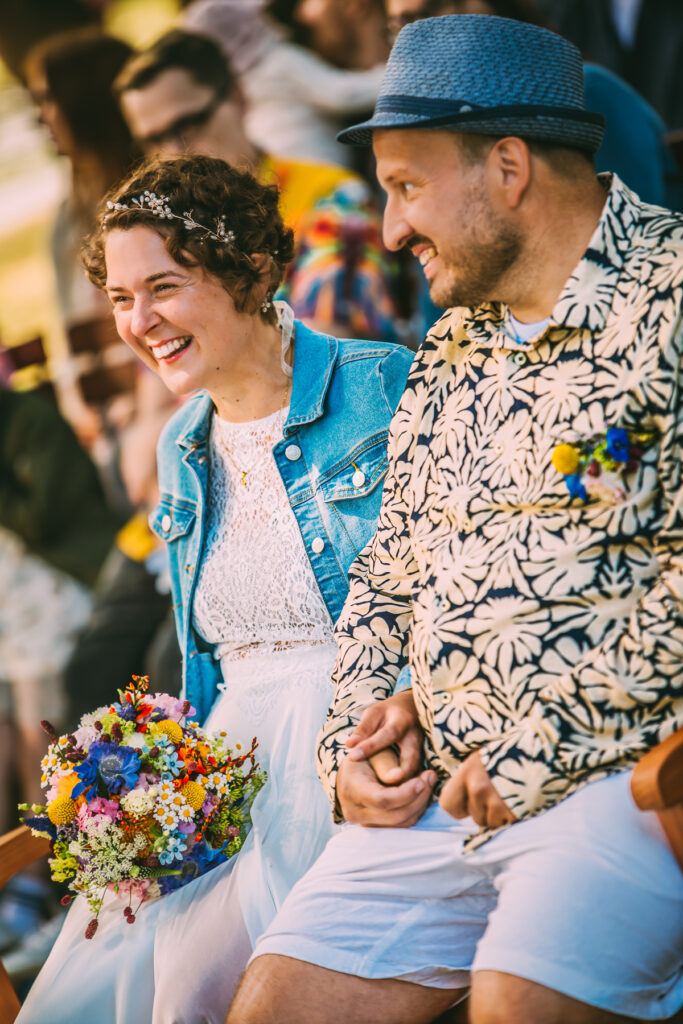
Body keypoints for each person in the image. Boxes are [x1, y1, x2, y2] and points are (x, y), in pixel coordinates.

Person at [227, 15, 683, 1024]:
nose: (390, 230)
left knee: (515, 1004)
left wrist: (528, 754)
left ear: (507, 169)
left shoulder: (668, 305)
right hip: (439, 792)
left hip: (624, 777)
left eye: (406, 187)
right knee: (272, 1006)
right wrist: (351, 749)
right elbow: (386, 575)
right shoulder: (451, 349)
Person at [16, 153, 413, 1024]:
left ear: (251, 272)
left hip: (366, 742)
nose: (139, 321)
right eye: (121, 298)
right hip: (227, 776)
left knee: (198, 993)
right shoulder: (181, 447)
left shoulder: (380, 386)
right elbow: (207, 664)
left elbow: (447, 596)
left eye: (163, 287)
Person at [115, 29, 397, 342]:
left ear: (238, 97)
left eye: (188, 125)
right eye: (153, 140)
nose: (175, 152)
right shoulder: (163, 232)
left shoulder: (332, 199)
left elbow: (324, 350)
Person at [183, 0, 385, 168]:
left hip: (285, 176)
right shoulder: (278, 61)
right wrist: (391, 73)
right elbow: (343, 95)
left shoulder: (240, 85)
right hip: (320, 168)